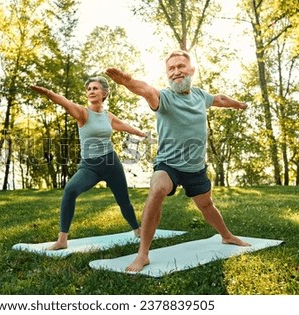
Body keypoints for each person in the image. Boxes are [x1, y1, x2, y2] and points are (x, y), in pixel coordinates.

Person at [105, 50, 251, 272]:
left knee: (207, 206)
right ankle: (142, 254)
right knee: (158, 189)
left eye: (181, 66)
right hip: (169, 165)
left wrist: (237, 104)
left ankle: (227, 236)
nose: (176, 72)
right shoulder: (164, 98)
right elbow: (145, 90)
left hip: (194, 167)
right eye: (171, 69)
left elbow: (219, 99)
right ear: (167, 74)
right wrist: (127, 82)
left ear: (191, 70)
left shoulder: (200, 95)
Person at [30, 76, 145, 250]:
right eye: (89, 89)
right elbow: (65, 103)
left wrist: (139, 132)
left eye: (95, 88)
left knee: (124, 201)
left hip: (111, 163)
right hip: (90, 166)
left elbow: (121, 125)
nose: (91, 91)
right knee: (70, 190)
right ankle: (62, 240)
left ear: (104, 93)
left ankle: (137, 230)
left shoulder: (108, 116)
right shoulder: (82, 113)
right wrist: (47, 92)